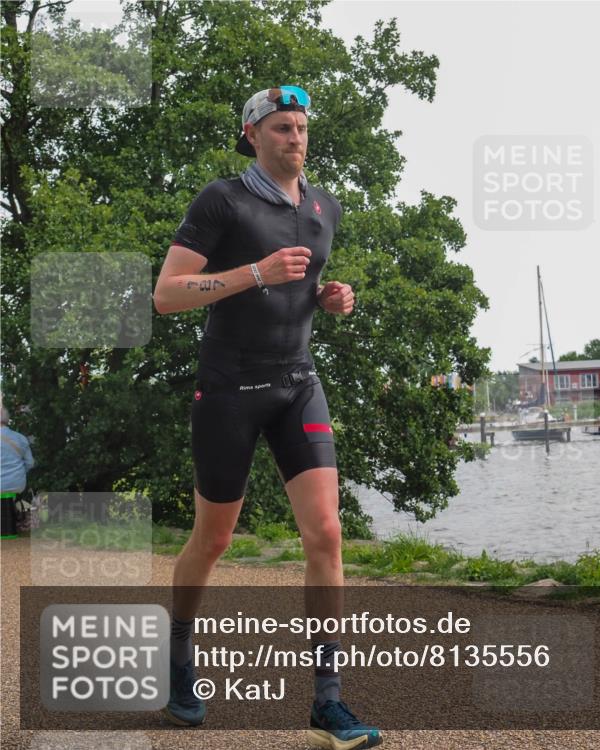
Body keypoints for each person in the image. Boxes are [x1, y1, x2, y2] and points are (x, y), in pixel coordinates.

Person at [153, 86, 381, 748]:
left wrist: (331, 299)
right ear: (252, 133)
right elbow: (167, 295)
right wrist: (253, 271)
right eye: (283, 127)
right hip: (228, 390)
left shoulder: (324, 208)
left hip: (297, 385)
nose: (296, 138)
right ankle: (177, 653)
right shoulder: (222, 200)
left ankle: (328, 702)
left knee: (327, 534)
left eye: (303, 127)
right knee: (215, 539)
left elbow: (300, 294)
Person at [0, 403, 35, 538]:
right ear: (7, 420)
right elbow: (30, 463)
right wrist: (17, 473)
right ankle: (10, 528)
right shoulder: (20, 438)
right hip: (17, 483)